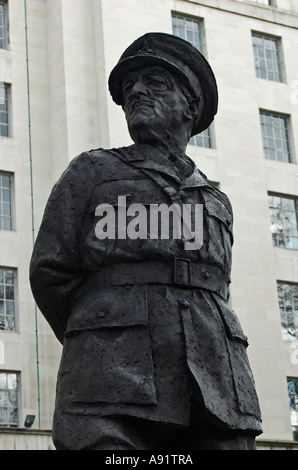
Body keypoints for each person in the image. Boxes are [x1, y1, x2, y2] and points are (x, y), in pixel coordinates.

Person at [30, 33, 262, 450]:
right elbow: (50, 272)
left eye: (154, 81)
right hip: (109, 384)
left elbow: (218, 292)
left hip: (218, 391)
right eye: (128, 87)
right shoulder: (91, 172)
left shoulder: (216, 200)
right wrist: (102, 328)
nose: (135, 91)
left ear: (190, 106)